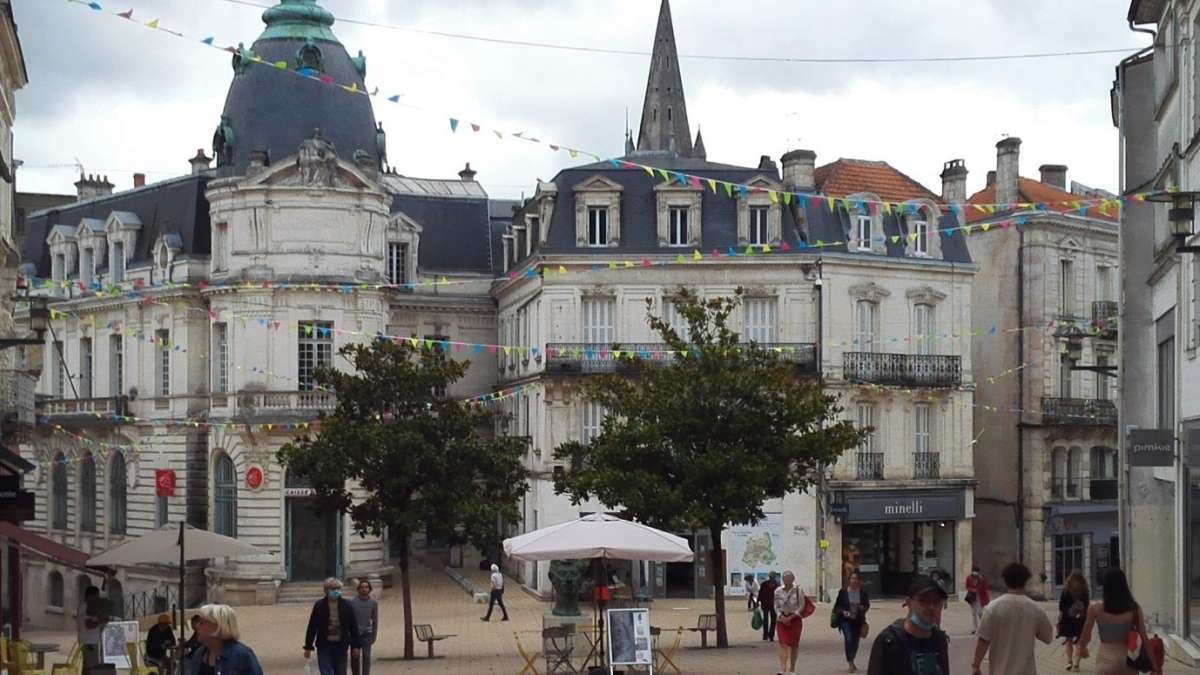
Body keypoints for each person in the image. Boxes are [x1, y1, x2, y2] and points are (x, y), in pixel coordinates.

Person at [970, 562, 1053, 675]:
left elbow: (983, 640)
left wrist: (976, 665)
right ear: (1026, 581)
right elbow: (1047, 637)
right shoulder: (1036, 609)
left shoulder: (992, 608)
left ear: (1005, 580)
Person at [1077, 568, 1161, 675]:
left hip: (1105, 661)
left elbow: (1086, 634)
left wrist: (1082, 649)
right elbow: (1144, 639)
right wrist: (1154, 666)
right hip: (1130, 662)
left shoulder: (1095, 608)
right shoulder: (1134, 609)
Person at [866, 576, 950, 675]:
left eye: (936, 602)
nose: (931, 607)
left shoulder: (939, 640)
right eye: (924, 600)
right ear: (909, 602)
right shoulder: (890, 641)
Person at [304, 578, 362, 675]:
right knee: (326, 672)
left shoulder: (347, 605)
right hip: (324, 645)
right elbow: (312, 627)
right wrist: (308, 647)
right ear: (326, 590)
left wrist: (355, 646)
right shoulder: (319, 606)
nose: (336, 591)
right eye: (333, 589)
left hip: (341, 645)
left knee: (340, 672)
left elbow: (353, 627)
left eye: (338, 588)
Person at [184, 604, 264, 675]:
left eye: (201, 623)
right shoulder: (199, 654)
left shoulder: (242, 656)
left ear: (216, 627)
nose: (197, 626)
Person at [834, 572, 871, 672]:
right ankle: (850, 662)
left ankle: (852, 659)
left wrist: (863, 607)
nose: (854, 581)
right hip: (846, 620)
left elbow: (867, 604)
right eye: (852, 578)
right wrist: (843, 612)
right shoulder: (843, 592)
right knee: (849, 639)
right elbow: (837, 607)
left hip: (858, 620)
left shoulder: (863, 593)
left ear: (859, 581)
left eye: (856, 579)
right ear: (849, 580)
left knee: (855, 642)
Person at [774, 570, 807, 675]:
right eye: (785, 579)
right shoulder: (778, 591)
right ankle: (782, 669)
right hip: (781, 620)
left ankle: (792, 668)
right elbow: (775, 605)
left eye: (789, 579)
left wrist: (791, 617)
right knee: (783, 643)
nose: (787, 581)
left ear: (793, 579)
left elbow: (802, 605)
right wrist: (781, 616)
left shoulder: (798, 590)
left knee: (794, 644)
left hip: (795, 619)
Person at [1058, 569, 1090, 671]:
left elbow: (1061, 606)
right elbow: (1087, 605)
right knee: (1080, 642)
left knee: (1069, 640)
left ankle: (1069, 662)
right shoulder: (1085, 590)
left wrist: (1063, 615)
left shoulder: (1066, 589)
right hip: (1080, 619)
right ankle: (1076, 665)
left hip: (1068, 619)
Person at [349, 579, 379, 675]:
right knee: (355, 657)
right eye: (362, 587)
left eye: (366, 587)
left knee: (366, 657)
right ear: (358, 589)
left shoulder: (373, 602)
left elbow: (375, 620)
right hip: (355, 634)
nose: (364, 589)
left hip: (367, 633)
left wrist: (374, 635)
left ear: (370, 589)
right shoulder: (353, 602)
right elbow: (350, 620)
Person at [77, 585, 109, 669]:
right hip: (89, 642)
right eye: (96, 596)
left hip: (90, 641)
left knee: (87, 666)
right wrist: (101, 620)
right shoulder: (87, 607)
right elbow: (89, 625)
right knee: (91, 666)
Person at [965, 566, 991, 635]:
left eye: (976, 571)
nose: (975, 573)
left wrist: (987, 600)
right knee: (973, 613)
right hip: (972, 598)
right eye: (974, 571)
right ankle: (975, 628)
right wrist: (972, 589)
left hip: (980, 598)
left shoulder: (982, 579)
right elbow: (967, 586)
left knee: (980, 613)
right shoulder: (969, 578)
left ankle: (983, 627)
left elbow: (985, 590)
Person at [758, 571, 780, 642]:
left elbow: (760, 594)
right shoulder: (777, 585)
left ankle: (766, 635)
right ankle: (771, 635)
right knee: (772, 620)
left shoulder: (764, 584)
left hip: (767, 604)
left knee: (766, 619)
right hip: (772, 605)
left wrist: (758, 602)